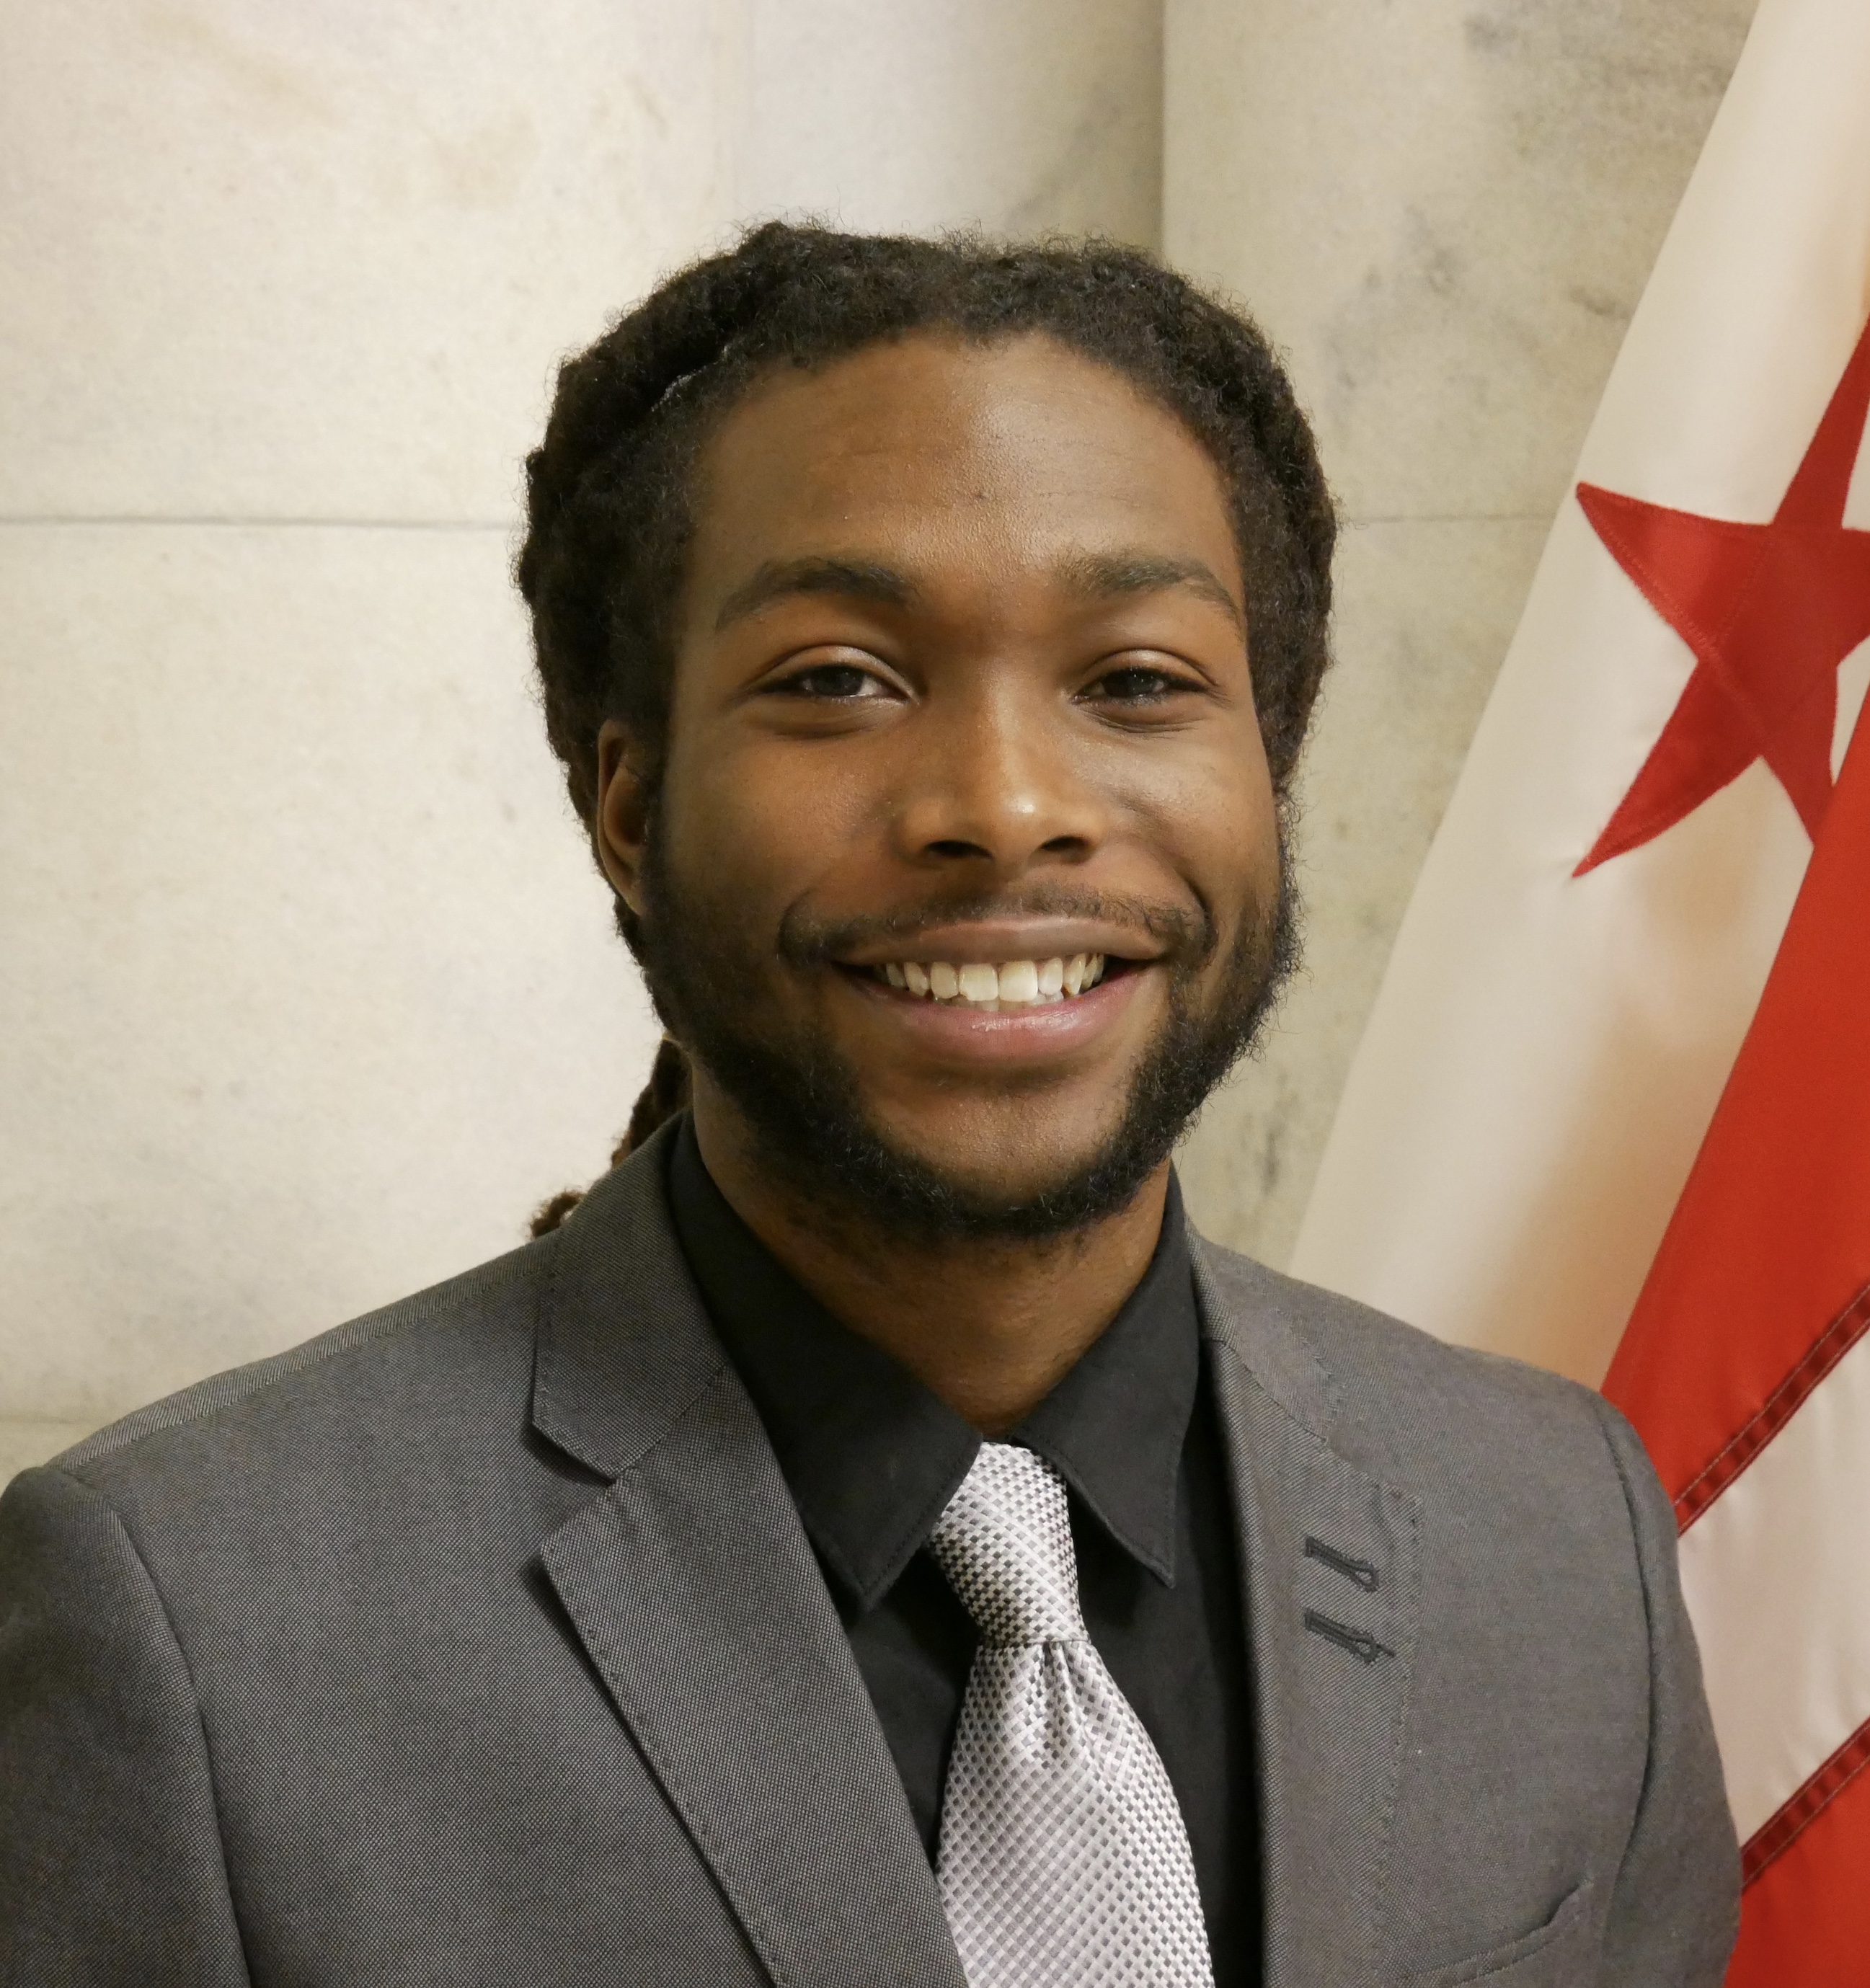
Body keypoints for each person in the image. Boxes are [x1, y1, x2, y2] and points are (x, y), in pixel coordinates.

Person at [0, 225, 1737, 1987]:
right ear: (627, 799)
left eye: (1134, 680)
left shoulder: (1557, 1529)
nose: (1003, 803)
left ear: (1264, 778)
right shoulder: (185, 1622)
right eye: (839, 678)